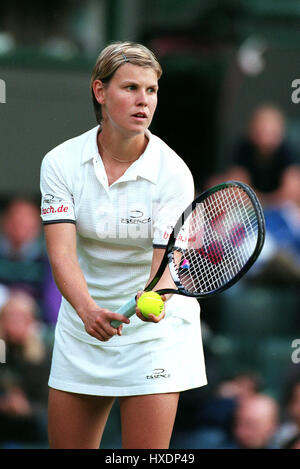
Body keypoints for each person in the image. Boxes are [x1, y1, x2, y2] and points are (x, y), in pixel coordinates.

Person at [40, 41, 207, 449]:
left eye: (151, 91)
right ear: (100, 91)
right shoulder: (60, 163)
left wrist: (157, 297)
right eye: (130, 88)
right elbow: (61, 253)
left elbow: (165, 266)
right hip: (85, 323)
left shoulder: (174, 174)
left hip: (155, 335)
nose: (143, 101)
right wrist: (87, 310)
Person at [0, 290, 51, 446]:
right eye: (10, 317)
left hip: (34, 421)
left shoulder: (42, 354)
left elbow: (48, 404)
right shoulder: (2, 350)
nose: (15, 322)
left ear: (32, 321)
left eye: (21, 317)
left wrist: (27, 408)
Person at [0, 198, 61, 326]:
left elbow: (53, 307)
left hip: (36, 326)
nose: (20, 225)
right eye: (15, 220)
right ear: (4, 222)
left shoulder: (49, 260)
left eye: (26, 221)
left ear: (37, 225)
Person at [226, 104, 300, 206]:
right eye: (261, 132)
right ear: (252, 130)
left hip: (277, 209)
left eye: (271, 133)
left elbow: (291, 192)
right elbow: (236, 190)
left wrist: (264, 201)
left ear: (280, 133)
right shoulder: (242, 149)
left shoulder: (288, 151)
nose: (265, 139)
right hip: (248, 209)